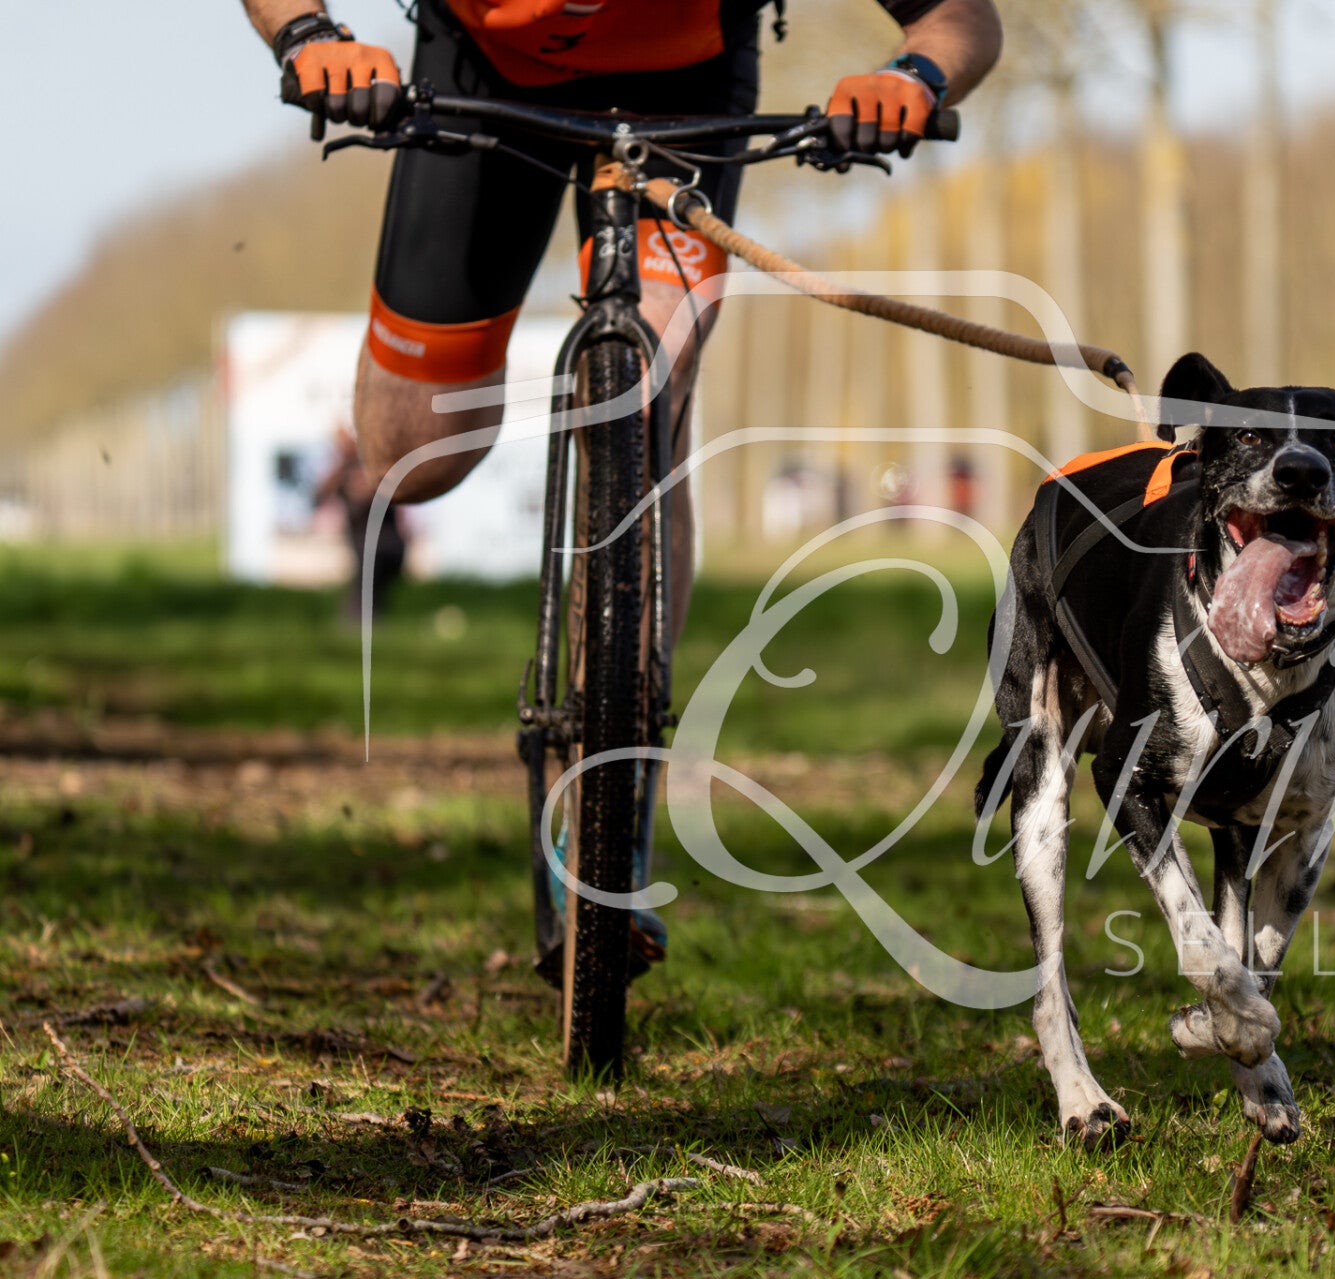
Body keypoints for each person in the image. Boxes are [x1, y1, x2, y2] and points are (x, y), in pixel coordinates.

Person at [240, 0, 1002, 978]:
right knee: (409, 457)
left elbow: (958, 16)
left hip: (683, 86)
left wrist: (912, 78)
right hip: (483, 69)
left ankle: (612, 809)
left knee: (648, 393)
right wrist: (309, 37)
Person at [312, 425, 407, 621]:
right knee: (368, 584)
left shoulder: (376, 468)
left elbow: (366, 494)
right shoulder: (341, 472)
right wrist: (342, 464)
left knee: (371, 583)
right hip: (362, 544)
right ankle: (361, 620)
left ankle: (361, 620)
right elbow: (319, 496)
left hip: (387, 544)